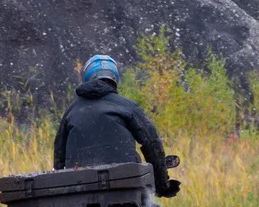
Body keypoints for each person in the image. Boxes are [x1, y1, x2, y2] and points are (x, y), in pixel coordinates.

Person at [53, 55, 180, 198]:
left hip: (80, 194)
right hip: (127, 192)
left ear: (86, 77)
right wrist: (162, 184)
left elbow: (59, 159)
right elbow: (152, 144)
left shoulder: (71, 112)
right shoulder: (127, 106)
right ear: (114, 79)